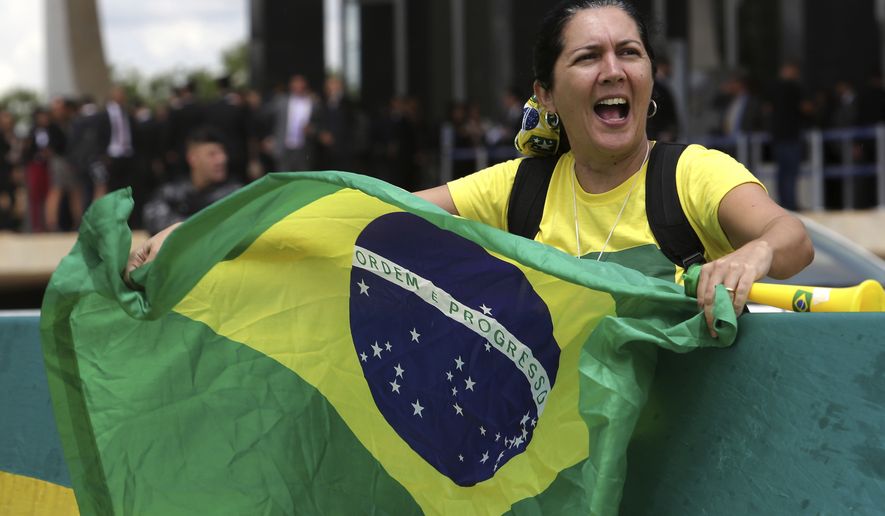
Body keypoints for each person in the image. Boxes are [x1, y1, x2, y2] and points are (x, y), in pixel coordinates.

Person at [128, 0, 813, 336]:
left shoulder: (693, 174)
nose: (613, 69)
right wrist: (211, 232)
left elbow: (793, 239)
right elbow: (357, 215)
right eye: (587, 57)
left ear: (648, 76)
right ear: (543, 95)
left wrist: (749, 257)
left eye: (628, 52)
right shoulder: (517, 187)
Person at [141, 126, 242, 235]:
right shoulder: (171, 192)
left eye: (223, 153)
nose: (221, 160)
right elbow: (153, 220)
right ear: (192, 158)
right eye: (212, 154)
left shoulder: (235, 194)